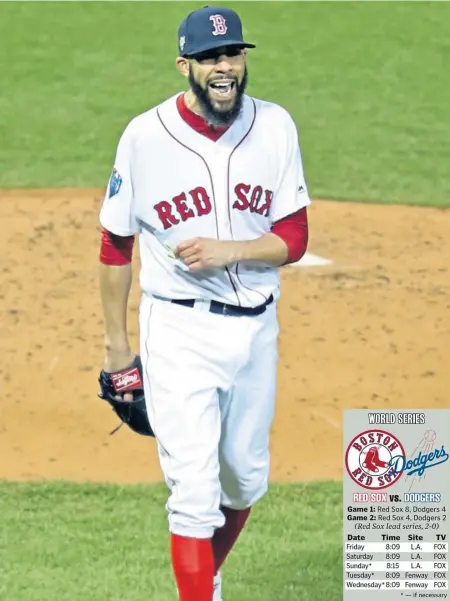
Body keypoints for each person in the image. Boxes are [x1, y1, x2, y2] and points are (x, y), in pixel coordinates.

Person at [98, 6, 310, 601]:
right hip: (178, 332)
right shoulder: (145, 136)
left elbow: (294, 239)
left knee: (242, 480)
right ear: (184, 64)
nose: (224, 67)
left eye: (233, 54)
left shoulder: (275, 127)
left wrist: (226, 250)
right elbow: (116, 245)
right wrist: (118, 352)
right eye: (211, 57)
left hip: (255, 332)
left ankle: (204, 575)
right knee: (193, 493)